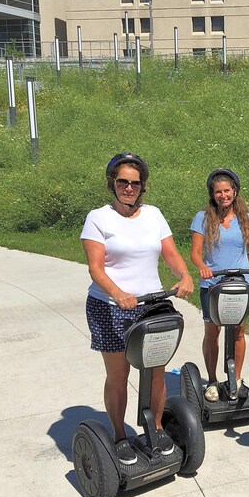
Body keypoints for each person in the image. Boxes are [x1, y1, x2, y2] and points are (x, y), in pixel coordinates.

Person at [81, 152, 194, 466]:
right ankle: (119, 436)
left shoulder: (153, 214)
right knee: (118, 375)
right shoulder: (98, 218)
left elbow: (170, 253)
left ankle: (155, 429)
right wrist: (118, 293)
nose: (129, 188)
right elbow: (95, 267)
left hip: (151, 305)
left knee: (156, 374)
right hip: (110, 307)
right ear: (112, 184)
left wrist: (184, 275)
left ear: (142, 186)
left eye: (135, 183)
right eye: (122, 182)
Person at [190, 168, 249, 402]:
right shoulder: (202, 218)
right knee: (213, 331)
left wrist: (238, 265)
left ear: (235, 191)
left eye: (227, 190)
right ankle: (211, 381)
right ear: (213, 194)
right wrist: (203, 267)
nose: (223, 195)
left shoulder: (246, 218)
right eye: (218, 192)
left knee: (239, 331)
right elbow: (195, 254)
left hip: (240, 284)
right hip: (212, 284)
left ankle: (237, 378)